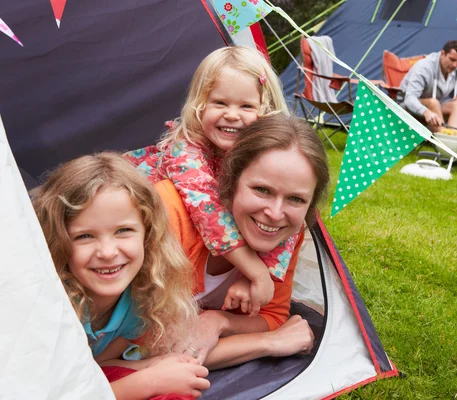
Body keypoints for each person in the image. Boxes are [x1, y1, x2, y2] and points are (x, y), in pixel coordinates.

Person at [124, 46, 292, 317]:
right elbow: (208, 211)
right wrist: (256, 273)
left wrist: (266, 274)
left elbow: (288, 219)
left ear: (266, 110)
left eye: (246, 106)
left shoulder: (269, 157)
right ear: (200, 106)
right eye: (220, 103)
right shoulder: (185, 148)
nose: (232, 115)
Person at [31, 153, 210, 400]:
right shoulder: (44, 307)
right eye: (84, 236)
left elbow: (96, 365)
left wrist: (151, 366)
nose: (107, 252)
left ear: (148, 235)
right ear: (57, 241)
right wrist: (147, 381)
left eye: (123, 231)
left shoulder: (141, 296)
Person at [158, 114, 330, 369]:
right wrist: (269, 343)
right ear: (231, 180)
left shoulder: (288, 234)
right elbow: (149, 349)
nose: (275, 213)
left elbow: (273, 314)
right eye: (262, 190)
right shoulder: (169, 215)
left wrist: (219, 321)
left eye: (296, 199)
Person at [399, 40, 457, 133]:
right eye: (452, 59)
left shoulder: (455, 71)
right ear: (443, 53)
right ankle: (444, 141)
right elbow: (409, 99)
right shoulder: (424, 67)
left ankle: (454, 138)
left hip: (433, 109)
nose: (455, 65)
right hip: (406, 108)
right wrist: (425, 111)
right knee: (433, 103)